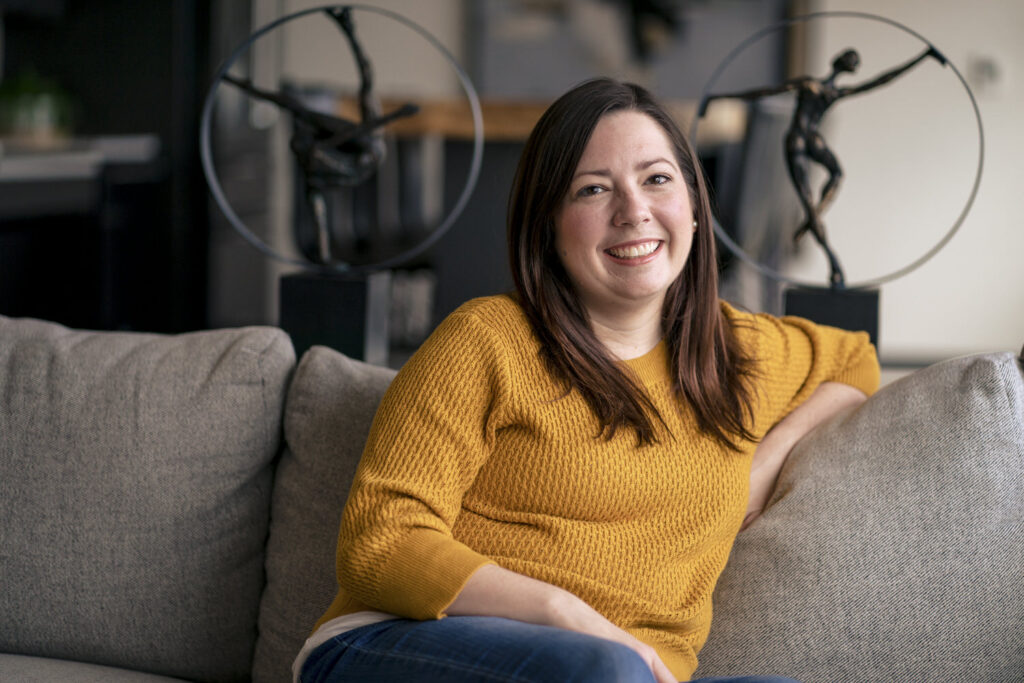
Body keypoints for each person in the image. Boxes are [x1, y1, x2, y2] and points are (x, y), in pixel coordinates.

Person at [294, 78, 880, 683]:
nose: (633, 211)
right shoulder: (486, 340)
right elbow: (378, 542)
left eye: (656, 179)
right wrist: (564, 612)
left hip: (622, 673)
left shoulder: (739, 353)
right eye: (593, 189)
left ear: (696, 207)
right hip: (398, 643)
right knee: (603, 668)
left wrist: (764, 463)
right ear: (548, 226)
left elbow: (854, 360)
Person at [700, 46, 945, 287]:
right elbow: (764, 92)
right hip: (797, 140)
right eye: (852, 60)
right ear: (840, 62)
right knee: (809, 197)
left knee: (837, 174)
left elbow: (881, 80)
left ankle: (811, 219)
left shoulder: (835, 92)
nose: (854, 66)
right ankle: (831, 257)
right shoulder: (810, 85)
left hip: (811, 140)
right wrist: (718, 98)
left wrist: (923, 57)